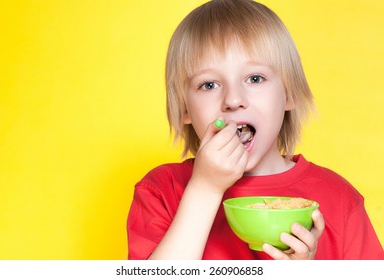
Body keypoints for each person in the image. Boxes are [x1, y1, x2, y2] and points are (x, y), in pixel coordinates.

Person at [127, 0, 384, 260]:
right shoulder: (161, 191)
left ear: (289, 95)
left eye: (255, 78)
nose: (233, 100)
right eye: (209, 85)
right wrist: (205, 189)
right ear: (184, 109)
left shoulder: (339, 200)